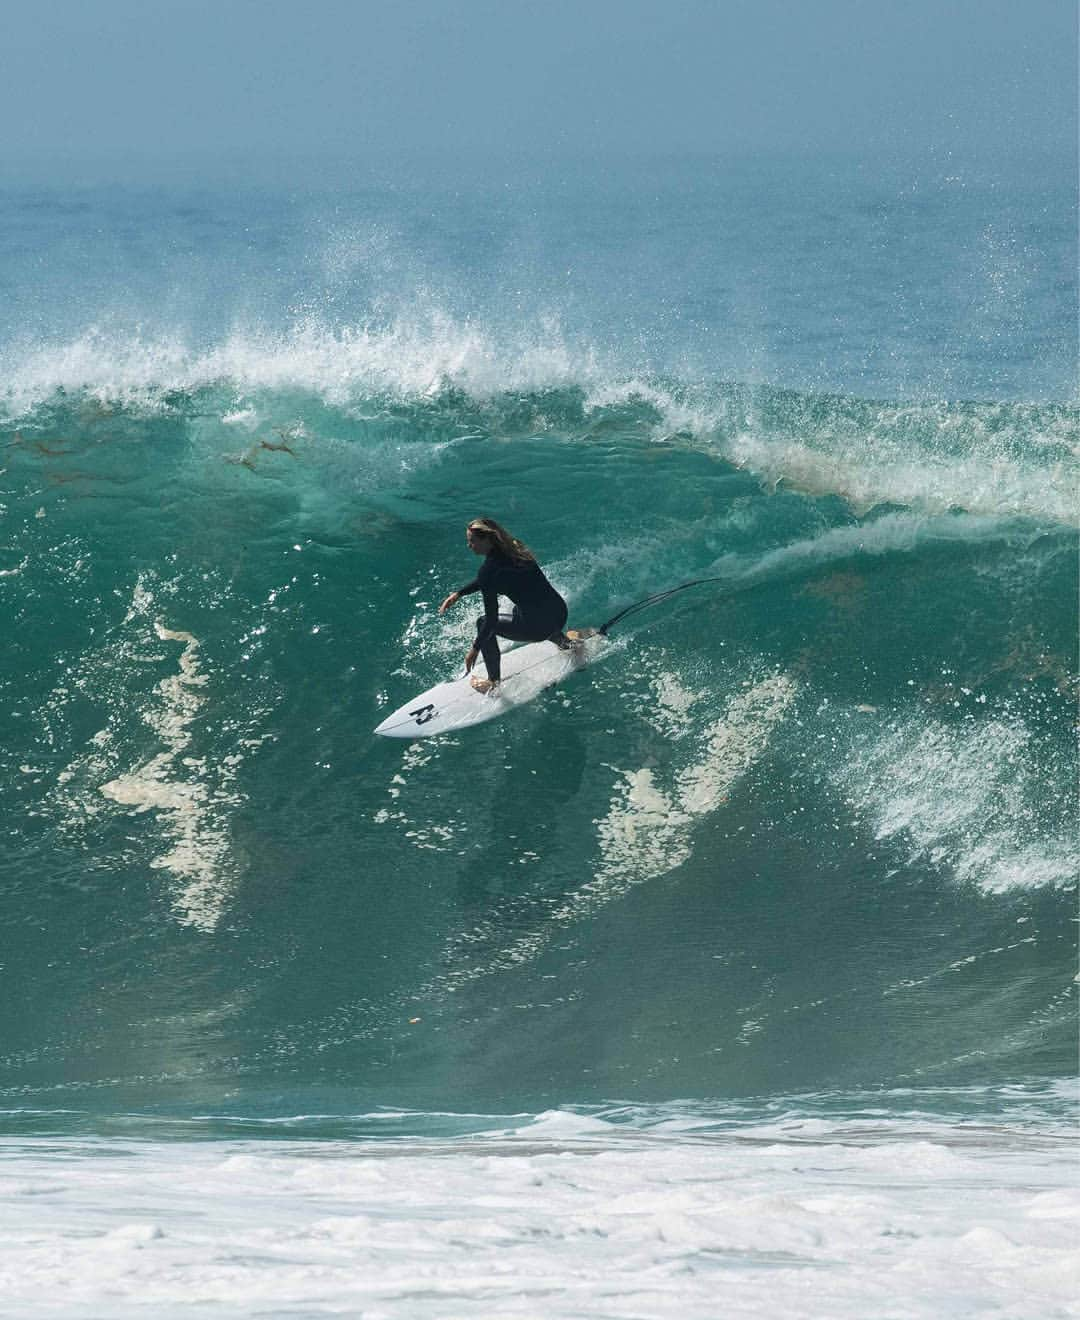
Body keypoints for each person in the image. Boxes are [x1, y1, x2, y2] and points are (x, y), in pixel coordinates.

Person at [439, 518, 579, 694]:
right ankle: (566, 643)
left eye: (472, 541)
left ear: (488, 540)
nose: (469, 545)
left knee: (482, 623)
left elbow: (490, 619)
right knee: (524, 608)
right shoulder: (517, 550)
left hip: (539, 628)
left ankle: (493, 683)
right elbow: (488, 580)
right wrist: (459, 593)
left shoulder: (488, 572)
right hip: (559, 613)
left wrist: (474, 649)